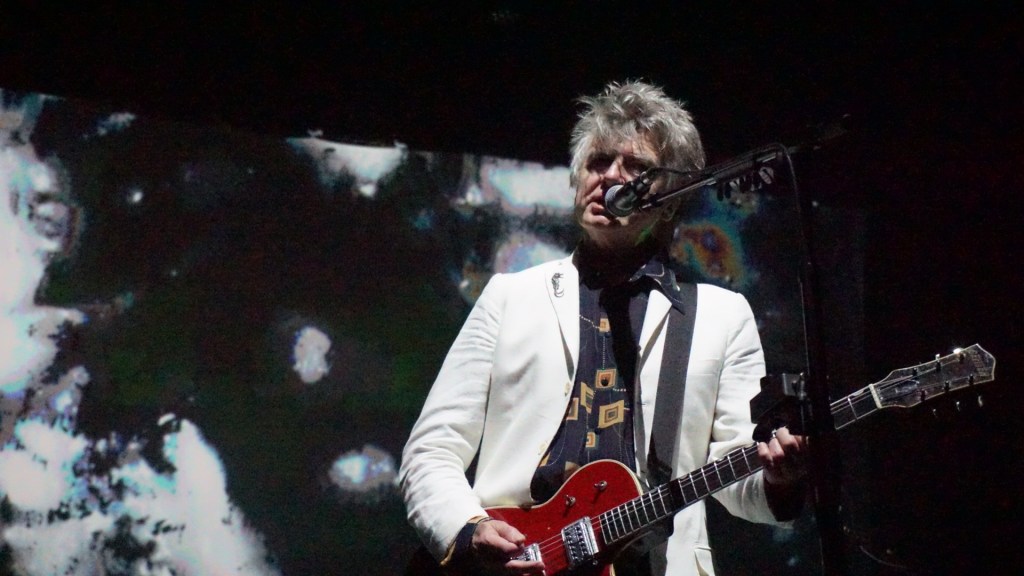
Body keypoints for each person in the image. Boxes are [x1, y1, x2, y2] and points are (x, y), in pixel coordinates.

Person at [399, 80, 806, 576]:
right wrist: (468, 530)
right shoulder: (510, 296)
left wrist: (780, 477)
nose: (611, 177)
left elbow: (738, 476)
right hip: (518, 561)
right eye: (598, 162)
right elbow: (432, 448)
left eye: (635, 168)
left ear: (672, 198)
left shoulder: (721, 316)